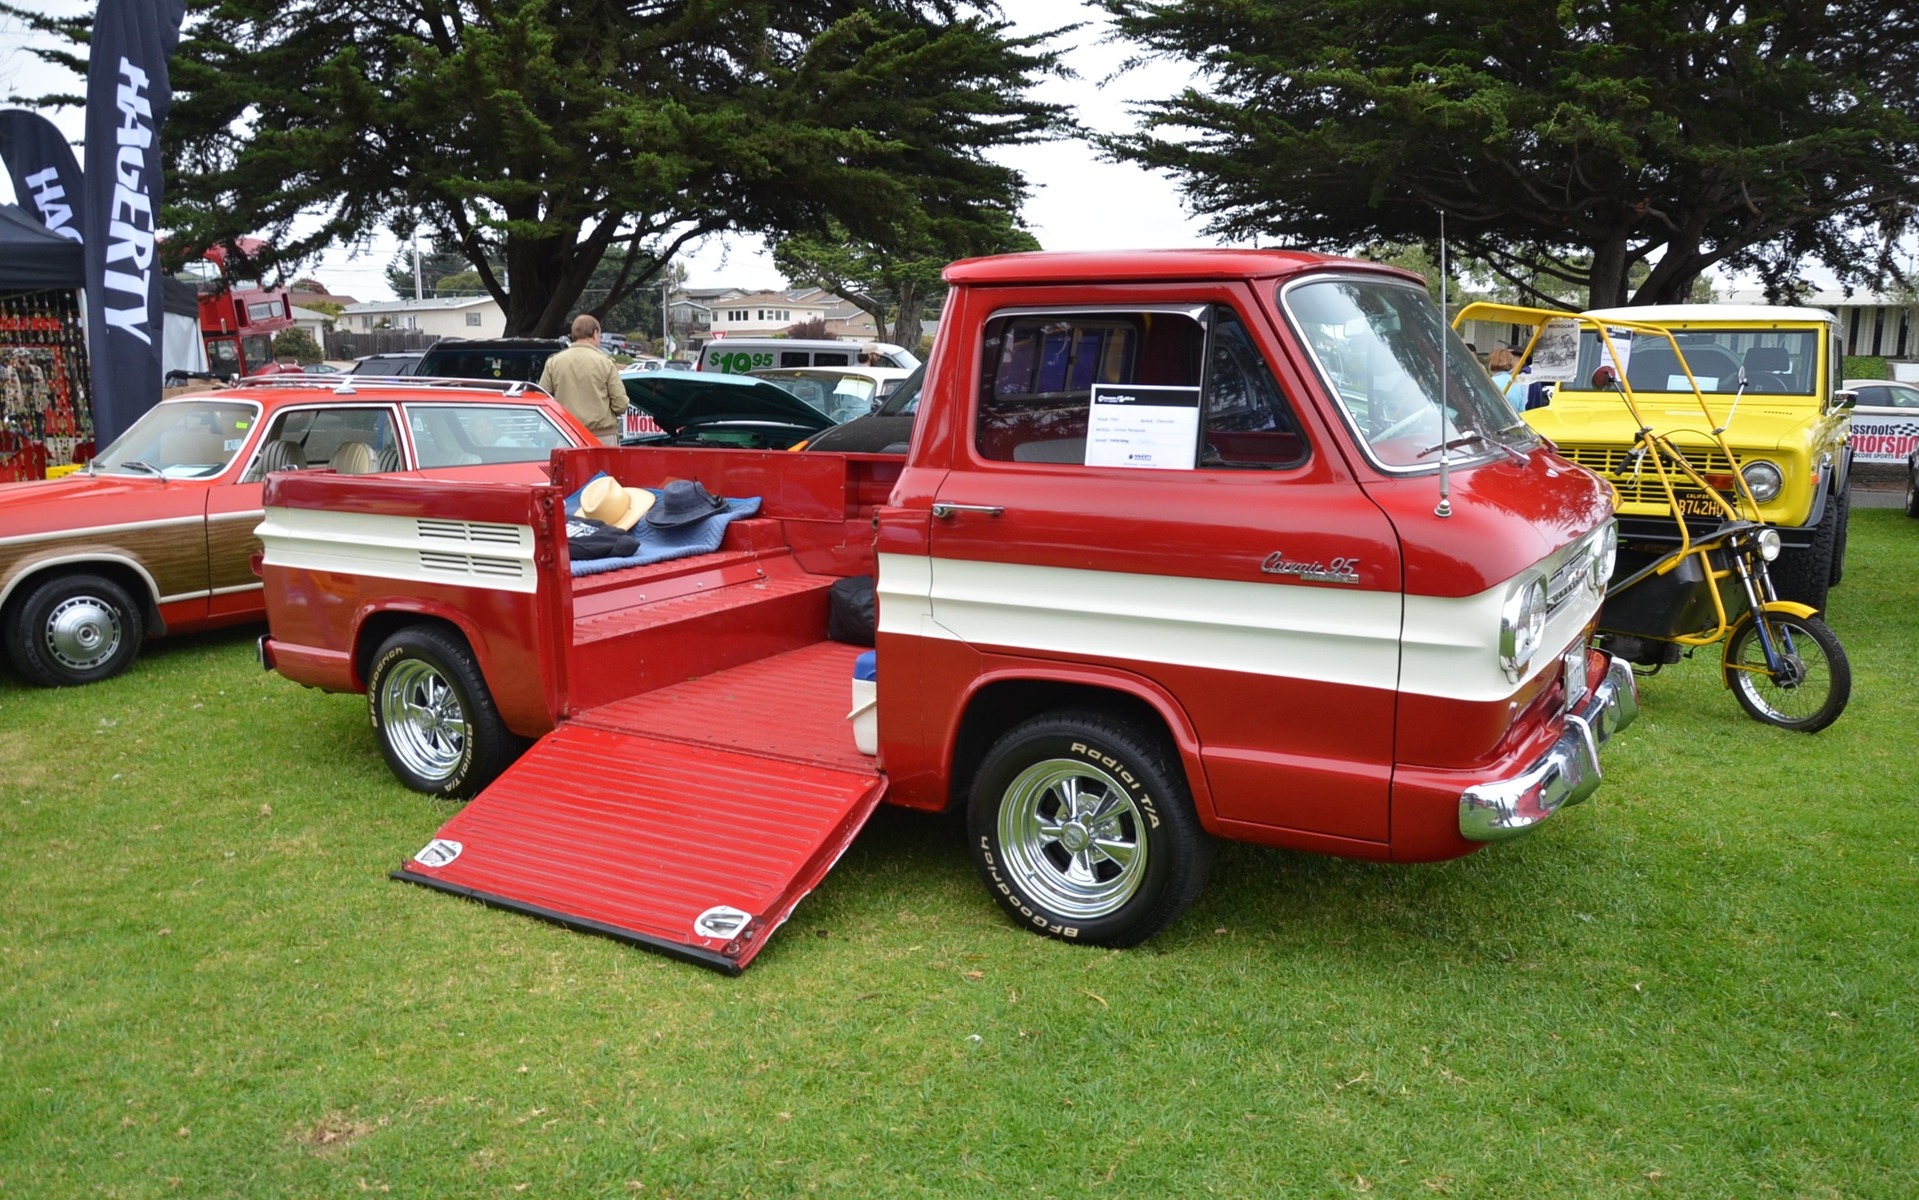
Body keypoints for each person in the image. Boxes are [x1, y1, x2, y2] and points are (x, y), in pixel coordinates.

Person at [538, 314, 628, 446]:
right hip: (602, 437)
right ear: (595, 333)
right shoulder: (605, 363)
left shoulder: (554, 362)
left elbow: (541, 397)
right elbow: (620, 405)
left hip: (566, 436)